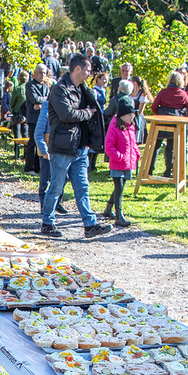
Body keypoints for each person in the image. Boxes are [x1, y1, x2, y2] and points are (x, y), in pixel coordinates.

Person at [40, 54, 112, 239]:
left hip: (80, 148)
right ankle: (47, 223)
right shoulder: (59, 89)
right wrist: (87, 112)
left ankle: (90, 225)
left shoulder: (82, 89)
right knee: (56, 187)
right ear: (78, 69)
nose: (89, 74)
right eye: (87, 70)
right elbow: (66, 114)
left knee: (82, 188)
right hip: (62, 147)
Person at [103, 101, 141, 228]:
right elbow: (109, 146)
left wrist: (136, 153)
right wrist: (119, 157)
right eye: (129, 115)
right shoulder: (114, 127)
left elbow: (133, 143)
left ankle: (108, 209)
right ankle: (119, 216)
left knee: (119, 188)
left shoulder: (130, 126)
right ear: (122, 115)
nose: (132, 117)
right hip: (118, 163)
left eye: (133, 115)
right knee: (119, 189)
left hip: (128, 163)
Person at [149, 72, 188, 177]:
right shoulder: (183, 94)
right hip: (175, 123)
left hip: (161, 123)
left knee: (156, 146)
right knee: (171, 148)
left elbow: (154, 106)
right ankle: (168, 171)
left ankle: (149, 170)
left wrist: (159, 115)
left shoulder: (163, 92)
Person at [23, 64, 51, 174]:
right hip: (33, 118)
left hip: (43, 117)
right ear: (35, 73)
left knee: (42, 142)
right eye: (40, 72)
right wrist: (42, 102)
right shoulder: (30, 85)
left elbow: (49, 99)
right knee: (33, 143)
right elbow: (34, 99)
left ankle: (38, 167)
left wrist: (41, 104)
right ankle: (29, 167)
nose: (42, 75)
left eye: (44, 73)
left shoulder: (46, 87)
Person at [130, 76, 153, 145]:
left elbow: (140, 111)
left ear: (135, 83)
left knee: (136, 139)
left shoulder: (142, 94)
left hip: (137, 118)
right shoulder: (130, 93)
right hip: (129, 116)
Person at [9, 69, 28, 139]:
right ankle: (26, 146)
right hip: (27, 113)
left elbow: (12, 102)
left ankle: (17, 146)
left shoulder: (17, 89)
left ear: (19, 78)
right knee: (25, 133)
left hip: (17, 113)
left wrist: (12, 109)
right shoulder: (29, 88)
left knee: (17, 134)